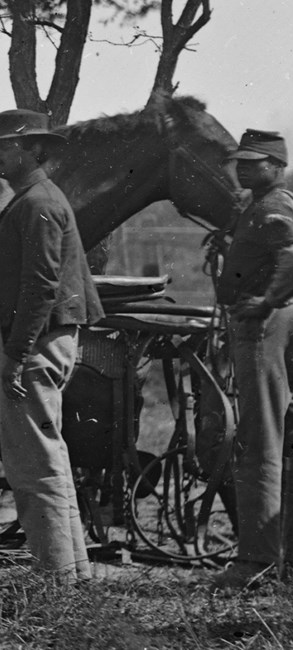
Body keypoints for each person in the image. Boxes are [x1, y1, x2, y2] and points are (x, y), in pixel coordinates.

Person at [211, 129, 293, 591]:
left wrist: (263, 302)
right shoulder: (279, 202)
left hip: (270, 325)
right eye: (239, 160)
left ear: (276, 165)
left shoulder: (271, 206)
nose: (242, 167)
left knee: (259, 443)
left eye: (253, 161)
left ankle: (255, 562)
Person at [0, 109, 104, 580]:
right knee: (48, 461)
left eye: (3, 147)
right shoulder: (37, 198)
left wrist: (14, 355)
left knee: (33, 468)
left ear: (28, 150)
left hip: (35, 346)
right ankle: (71, 574)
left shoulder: (37, 202)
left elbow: (40, 287)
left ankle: (55, 585)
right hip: (45, 341)